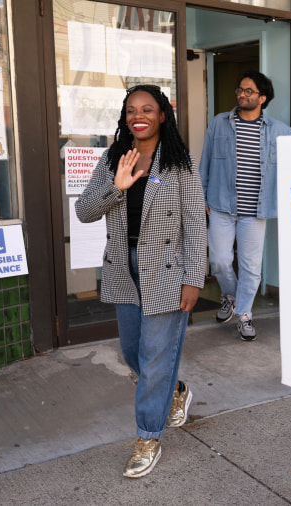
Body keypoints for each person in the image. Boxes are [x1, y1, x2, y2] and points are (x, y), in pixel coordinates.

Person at [75, 84, 207, 478]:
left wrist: (194, 278)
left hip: (166, 269)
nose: (140, 115)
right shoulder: (114, 158)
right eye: (132, 109)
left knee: (152, 358)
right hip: (122, 267)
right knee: (135, 355)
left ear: (162, 115)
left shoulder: (180, 163)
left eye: (148, 109)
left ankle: (147, 437)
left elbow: (195, 226)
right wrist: (118, 186)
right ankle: (175, 389)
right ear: (125, 116)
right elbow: (83, 212)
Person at [199, 70, 291, 340]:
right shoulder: (219, 123)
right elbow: (205, 162)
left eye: (249, 91)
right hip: (221, 206)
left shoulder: (280, 131)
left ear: (263, 98)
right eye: (240, 90)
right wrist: (202, 196)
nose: (242, 94)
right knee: (218, 260)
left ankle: (244, 314)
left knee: (251, 267)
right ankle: (230, 296)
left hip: (256, 210)